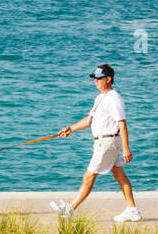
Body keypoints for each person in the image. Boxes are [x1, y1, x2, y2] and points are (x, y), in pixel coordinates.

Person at [52, 63, 141, 221]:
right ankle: (132, 209)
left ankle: (70, 209)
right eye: (94, 78)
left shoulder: (114, 98)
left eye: (99, 78)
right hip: (106, 142)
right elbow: (89, 120)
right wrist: (70, 129)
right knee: (120, 176)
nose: (96, 81)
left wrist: (126, 148)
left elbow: (122, 123)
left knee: (89, 176)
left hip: (107, 142)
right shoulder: (100, 98)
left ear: (108, 79)